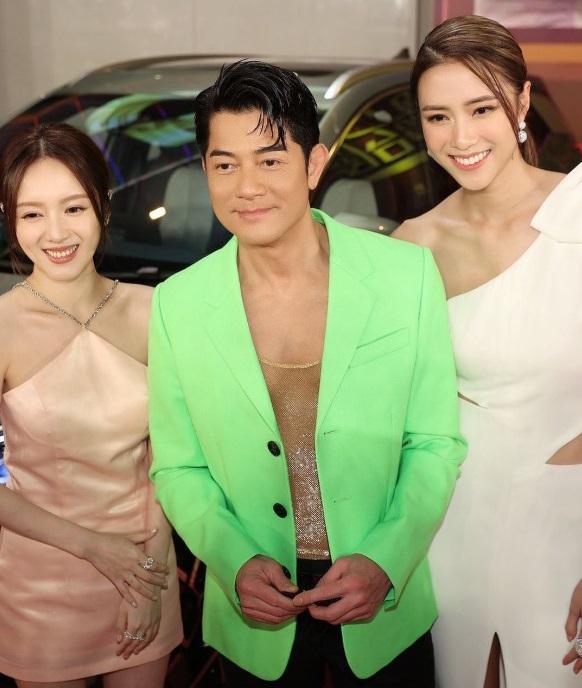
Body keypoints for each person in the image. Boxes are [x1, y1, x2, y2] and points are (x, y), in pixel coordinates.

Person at [148, 59, 465, 687]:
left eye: (270, 161)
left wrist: (385, 559)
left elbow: (434, 442)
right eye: (225, 165)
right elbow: (178, 467)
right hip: (256, 609)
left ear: (314, 165)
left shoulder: (405, 277)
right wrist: (234, 561)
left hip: (382, 599)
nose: (247, 187)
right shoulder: (177, 303)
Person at [393, 14, 582, 688]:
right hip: (454, 531)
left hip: (566, 527)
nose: (461, 138)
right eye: (438, 117)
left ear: (523, 101)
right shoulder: (410, 247)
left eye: (482, 108)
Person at [0, 123, 182, 686]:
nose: (56, 232)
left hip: (147, 563)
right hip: (42, 578)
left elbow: (179, 454)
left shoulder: (155, 310)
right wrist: (95, 548)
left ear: (103, 206)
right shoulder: (3, 326)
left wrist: (148, 569)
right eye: (32, 214)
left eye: (73, 208)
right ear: (11, 220)